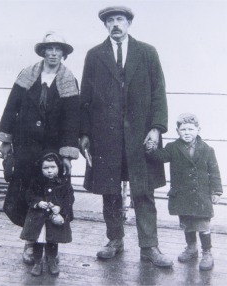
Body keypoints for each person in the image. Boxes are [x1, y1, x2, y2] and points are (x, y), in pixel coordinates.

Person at [79, 6, 173, 267]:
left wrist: (156, 128)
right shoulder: (94, 55)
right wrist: (84, 133)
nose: (115, 24)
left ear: (129, 23)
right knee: (109, 191)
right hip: (105, 136)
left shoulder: (147, 52)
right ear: (105, 26)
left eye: (120, 19)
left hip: (141, 136)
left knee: (143, 191)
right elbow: (85, 97)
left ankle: (149, 247)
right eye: (110, 21)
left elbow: (159, 93)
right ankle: (115, 240)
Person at [0, 32, 80, 264]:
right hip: (25, 147)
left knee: (53, 195)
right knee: (28, 195)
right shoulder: (26, 76)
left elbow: (73, 120)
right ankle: (30, 242)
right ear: (43, 52)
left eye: (58, 49)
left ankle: (52, 247)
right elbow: (10, 107)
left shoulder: (69, 81)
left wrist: (67, 154)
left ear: (64, 54)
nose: (53, 53)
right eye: (49, 49)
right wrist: (5, 141)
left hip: (51, 151)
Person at [146, 113, 223, 270]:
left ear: (198, 129)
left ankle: (207, 252)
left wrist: (216, 191)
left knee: (202, 224)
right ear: (177, 131)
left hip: (201, 196)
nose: (187, 132)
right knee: (187, 223)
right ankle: (191, 248)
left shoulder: (208, 150)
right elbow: (160, 157)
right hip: (183, 195)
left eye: (190, 129)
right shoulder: (173, 148)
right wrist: (151, 149)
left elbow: (214, 171)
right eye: (183, 129)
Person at [20, 151, 74, 276]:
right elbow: (29, 195)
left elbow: (69, 198)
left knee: (53, 241)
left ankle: (52, 261)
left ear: (58, 167)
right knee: (38, 241)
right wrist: (38, 203)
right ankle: (38, 263)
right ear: (41, 169)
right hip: (38, 218)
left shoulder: (63, 183)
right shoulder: (36, 182)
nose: (49, 171)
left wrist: (59, 208)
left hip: (53, 218)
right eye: (46, 168)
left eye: (53, 167)